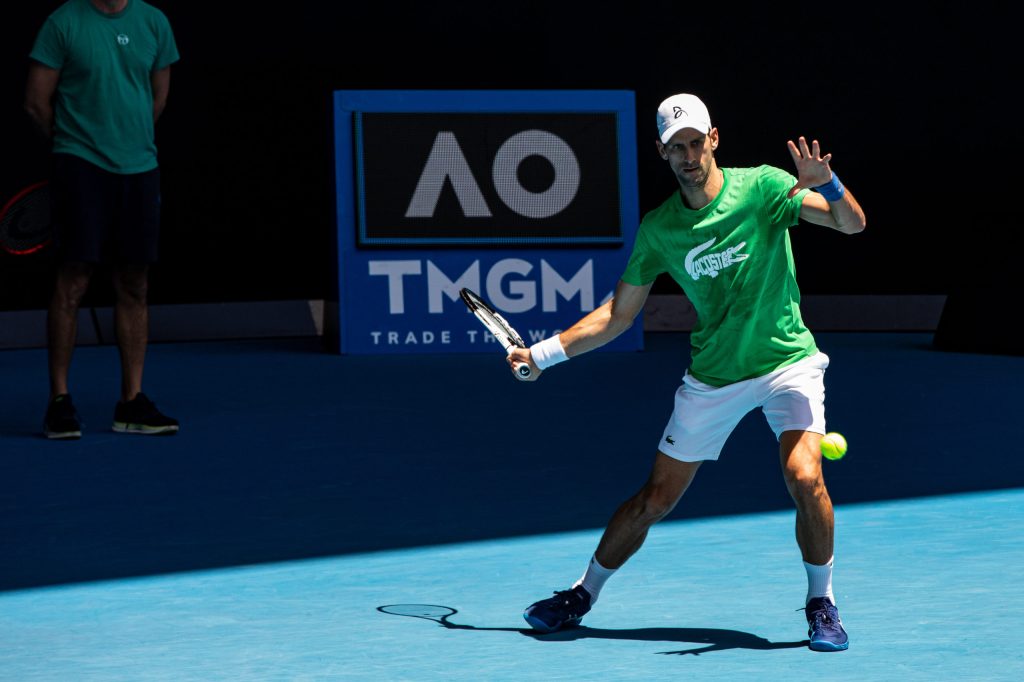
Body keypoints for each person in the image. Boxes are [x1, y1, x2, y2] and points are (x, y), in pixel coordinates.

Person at [510, 93, 866, 652]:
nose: (688, 155)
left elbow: (852, 226)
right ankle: (582, 594)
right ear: (662, 152)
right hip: (713, 376)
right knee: (655, 499)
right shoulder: (659, 229)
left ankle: (822, 602)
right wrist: (544, 354)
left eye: (695, 143)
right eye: (676, 147)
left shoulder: (766, 188)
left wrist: (829, 184)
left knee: (805, 477)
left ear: (714, 140)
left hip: (787, 362)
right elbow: (617, 315)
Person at [23, 0, 180, 439]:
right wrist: (78, 147)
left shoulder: (154, 21)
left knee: (135, 284)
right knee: (72, 281)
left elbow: (157, 97)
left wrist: (128, 142)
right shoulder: (63, 23)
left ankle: (131, 402)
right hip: (80, 165)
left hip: (139, 170)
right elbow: (36, 102)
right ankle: (60, 400)